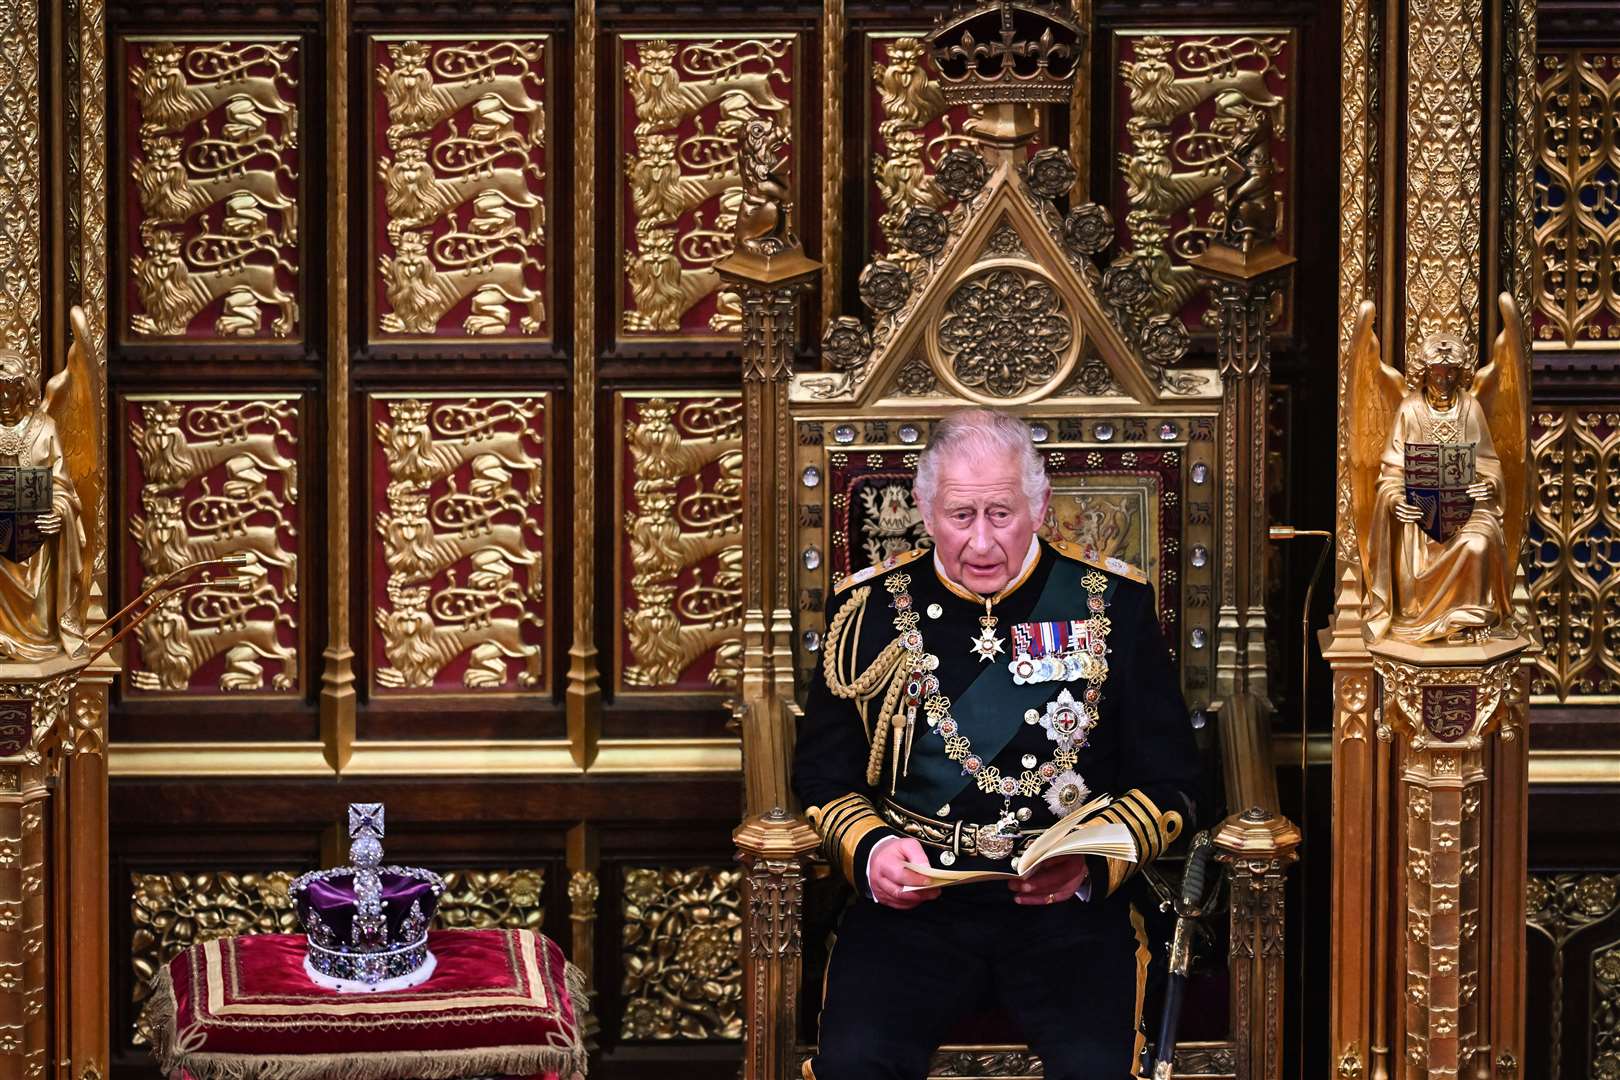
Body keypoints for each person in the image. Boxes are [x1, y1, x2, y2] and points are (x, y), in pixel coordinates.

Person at [794, 408, 1199, 1080]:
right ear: (925, 512)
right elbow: (821, 774)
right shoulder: (865, 613)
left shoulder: (1112, 605)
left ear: (1039, 507)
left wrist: (1091, 867)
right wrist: (872, 852)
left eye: (1001, 514)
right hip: (915, 912)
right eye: (960, 516)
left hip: (1065, 913)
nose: (981, 543)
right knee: (855, 1063)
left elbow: (1174, 781)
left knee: (1098, 1070)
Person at [1364, 333, 1513, 642]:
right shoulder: (1410, 409)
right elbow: (1391, 473)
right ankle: (1420, 615)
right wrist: (1394, 501)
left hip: (1468, 512)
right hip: (1421, 516)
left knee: (1480, 543)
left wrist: (1488, 485)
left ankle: (1470, 620)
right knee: (1411, 568)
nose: (1443, 380)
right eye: (1436, 373)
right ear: (1425, 372)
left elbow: (1489, 463)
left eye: (1450, 374)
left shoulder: (1470, 408)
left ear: (1460, 374)